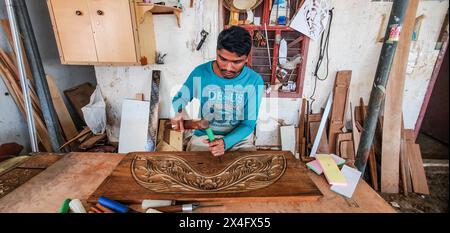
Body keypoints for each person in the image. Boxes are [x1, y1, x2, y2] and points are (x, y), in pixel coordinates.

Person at [171, 26, 264, 157]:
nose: (228, 68)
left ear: (246, 58)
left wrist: (225, 143)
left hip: (239, 140)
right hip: (204, 137)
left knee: (247, 173)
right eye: (223, 59)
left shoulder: (254, 81)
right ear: (217, 52)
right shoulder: (201, 73)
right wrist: (179, 111)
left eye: (236, 62)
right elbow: (179, 98)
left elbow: (248, 124)